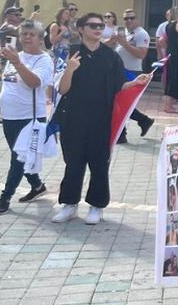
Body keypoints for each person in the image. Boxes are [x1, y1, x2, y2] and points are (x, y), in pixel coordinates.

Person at [52, 13, 152, 225]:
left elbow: (119, 85)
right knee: (73, 163)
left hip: (101, 118)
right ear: (81, 29)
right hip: (73, 118)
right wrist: (70, 69)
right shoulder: (71, 53)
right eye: (93, 25)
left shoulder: (110, 56)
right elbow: (62, 89)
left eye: (100, 26)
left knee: (99, 163)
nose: (98, 29)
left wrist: (135, 82)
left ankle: (96, 206)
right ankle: (69, 204)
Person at [0, 21, 54, 215]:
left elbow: (34, 82)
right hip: (9, 117)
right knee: (22, 156)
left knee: (18, 159)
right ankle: (37, 185)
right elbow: (4, 85)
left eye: (32, 34)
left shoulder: (44, 60)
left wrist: (17, 63)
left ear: (40, 38)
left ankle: (5, 198)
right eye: (24, 34)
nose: (27, 38)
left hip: (30, 118)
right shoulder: (16, 56)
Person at [112, 8, 155, 143]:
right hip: (120, 71)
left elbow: (142, 54)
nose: (129, 21)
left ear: (137, 19)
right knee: (119, 102)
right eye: (126, 18)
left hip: (132, 72)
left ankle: (123, 133)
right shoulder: (124, 32)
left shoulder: (141, 34)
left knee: (122, 103)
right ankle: (142, 121)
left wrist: (124, 44)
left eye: (132, 18)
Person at [163, 6, 178, 114]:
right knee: (175, 79)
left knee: (170, 78)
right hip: (177, 54)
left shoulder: (168, 25)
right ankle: (169, 106)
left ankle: (168, 104)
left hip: (170, 53)